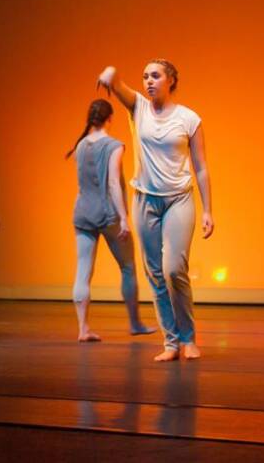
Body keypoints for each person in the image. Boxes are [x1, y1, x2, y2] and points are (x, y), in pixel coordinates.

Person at [97, 60, 214, 361]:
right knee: (154, 273)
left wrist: (208, 210)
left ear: (171, 80)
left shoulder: (189, 119)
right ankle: (171, 342)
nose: (149, 81)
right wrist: (111, 75)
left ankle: (189, 338)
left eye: (156, 76)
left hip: (179, 199)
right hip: (145, 200)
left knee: (174, 268)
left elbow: (201, 168)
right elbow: (118, 84)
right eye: (145, 76)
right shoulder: (139, 108)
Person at [67, 99, 155, 342]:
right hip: (108, 213)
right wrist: (124, 218)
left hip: (83, 212)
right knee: (127, 267)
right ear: (110, 118)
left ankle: (83, 329)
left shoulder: (80, 145)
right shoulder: (115, 145)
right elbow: (113, 182)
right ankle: (135, 323)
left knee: (83, 270)